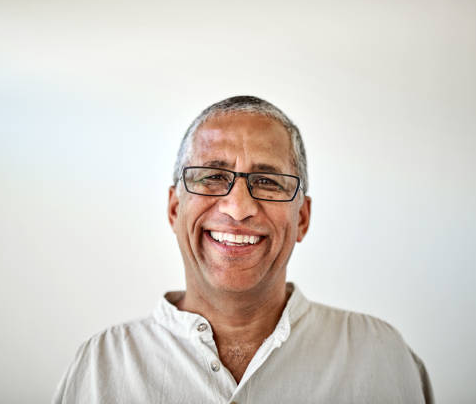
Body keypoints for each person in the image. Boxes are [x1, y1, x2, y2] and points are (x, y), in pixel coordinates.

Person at [52, 96, 434, 403]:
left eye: (267, 181)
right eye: (213, 177)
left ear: (302, 218)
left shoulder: (381, 357)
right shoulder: (100, 368)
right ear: (174, 209)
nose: (238, 207)